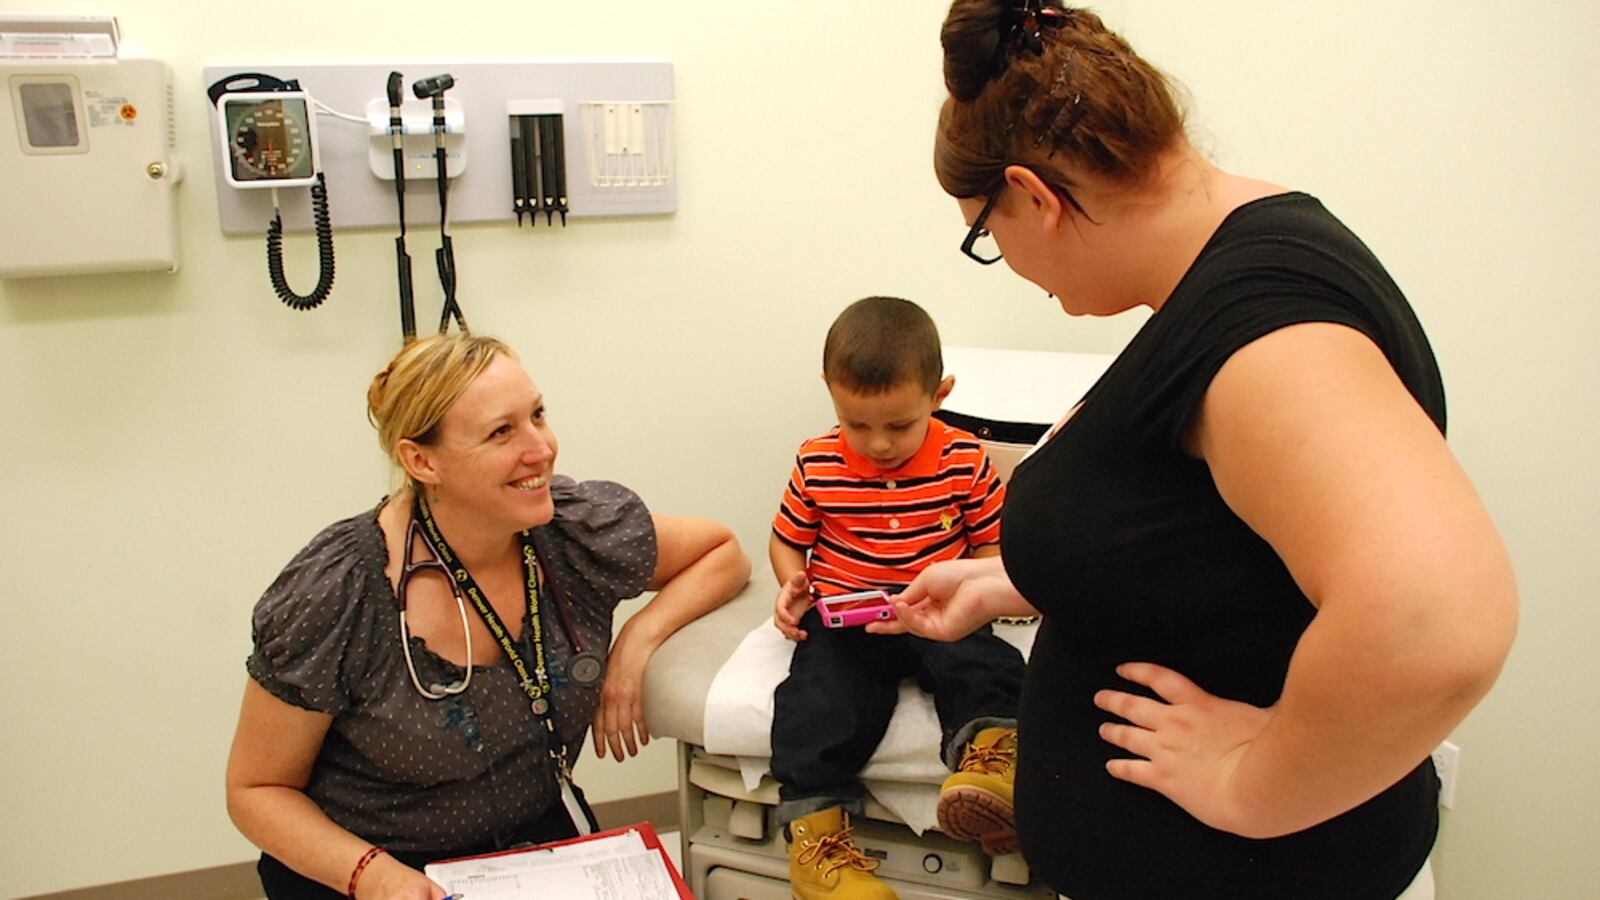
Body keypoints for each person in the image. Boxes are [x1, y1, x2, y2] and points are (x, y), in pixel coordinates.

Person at [874, 3, 1520, 899]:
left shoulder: (1264, 338)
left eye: (986, 234)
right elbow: (1225, 545)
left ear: (1032, 195)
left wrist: (1248, 785)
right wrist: (1021, 580)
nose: (1003, 257)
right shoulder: (1247, 243)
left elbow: (1436, 624)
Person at [225, 333, 751, 899]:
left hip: (529, 851)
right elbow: (257, 788)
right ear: (421, 460)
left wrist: (635, 643)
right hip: (365, 865)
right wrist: (375, 877)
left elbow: (722, 553)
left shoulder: (570, 534)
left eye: (538, 415)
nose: (541, 448)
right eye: (502, 432)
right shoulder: (339, 592)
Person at [768, 296, 1025, 899]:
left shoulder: (964, 460)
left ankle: (992, 765)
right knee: (817, 699)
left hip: (939, 612)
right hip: (847, 617)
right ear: (831, 392)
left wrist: (968, 590)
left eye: (899, 426)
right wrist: (791, 583)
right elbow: (786, 541)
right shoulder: (816, 462)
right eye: (857, 425)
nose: (878, 445)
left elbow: (994, 552)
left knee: (985, 663)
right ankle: (817, 841)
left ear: (940, 395)